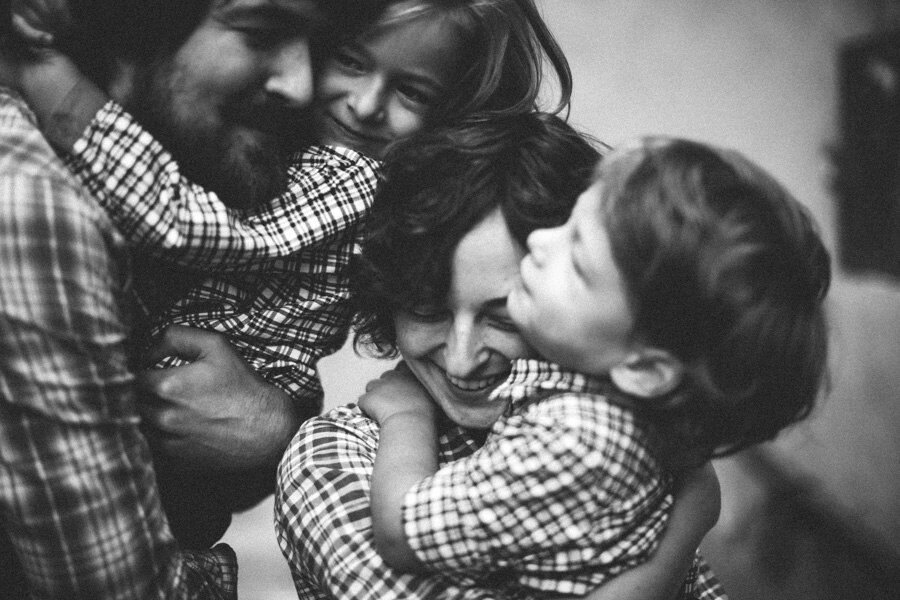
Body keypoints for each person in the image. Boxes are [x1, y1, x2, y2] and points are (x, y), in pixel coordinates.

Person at [5, 0, 574, 547]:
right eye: (349, 60)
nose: (366, 105)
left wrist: (65, 98)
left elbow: (184, 224)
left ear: (452, 111)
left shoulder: (353, 176)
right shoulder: (288, 136)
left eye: (413, 91)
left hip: (226, 393)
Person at [0, 0, 378, 596]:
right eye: (260, 32)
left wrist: (280, 427)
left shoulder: (295, 162)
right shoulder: (36, 209)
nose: (303, 86)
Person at [275, 112, 727, 599]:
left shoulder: (596, 429)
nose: (461, 360)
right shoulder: (333, 462)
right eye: (426, 311)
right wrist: (687, 523)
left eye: (506, 318)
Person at [359, 135, 831, 596]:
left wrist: (406, 416)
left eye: (579, 261)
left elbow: (400, 534)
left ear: (645, 370)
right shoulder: (630, 406)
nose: (539, 240)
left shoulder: (577, 439)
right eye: (569, 224)